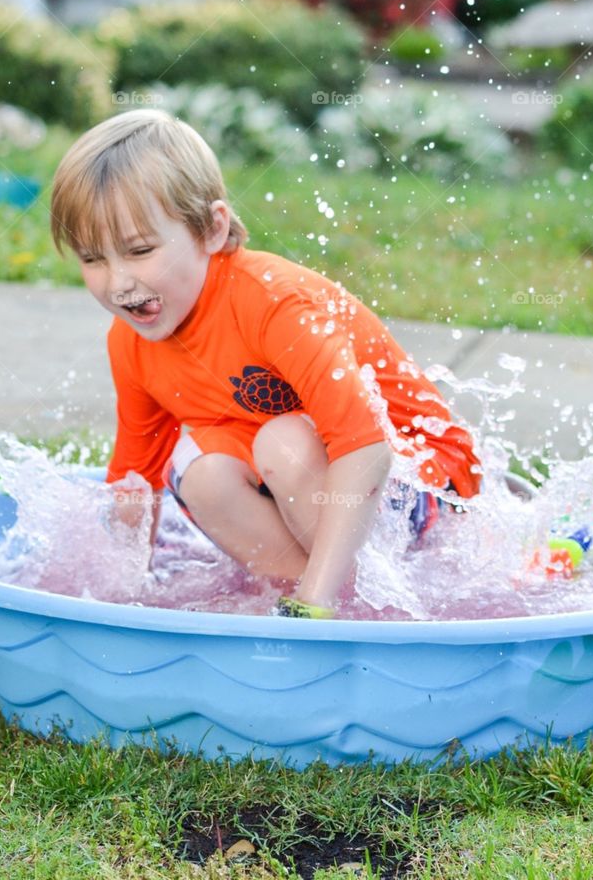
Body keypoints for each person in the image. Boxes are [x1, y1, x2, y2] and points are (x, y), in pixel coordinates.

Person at [50, 109, 480, 618]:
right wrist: (111, 600)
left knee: (282, 443)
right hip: (313, 498)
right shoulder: (131, 344)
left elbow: (365, 449)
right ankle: (328, 602)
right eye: (92, 258)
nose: (117, 282)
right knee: (200, 477)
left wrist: (315, 601)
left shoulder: (273, 304)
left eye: (139, 250)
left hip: (422, 486)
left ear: (212, 229)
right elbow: (132, 491)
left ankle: (324, 601)